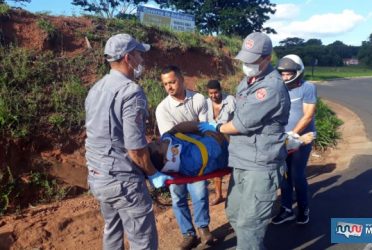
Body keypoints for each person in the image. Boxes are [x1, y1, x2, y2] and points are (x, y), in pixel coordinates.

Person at [198, 32, 291, 249]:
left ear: (267, 58)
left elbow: (239, 124)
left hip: (260, 166)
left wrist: (217, 127)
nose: (246, 64)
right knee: (234, 212)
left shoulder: (269, 88)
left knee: (250, 225)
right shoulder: (248, 81)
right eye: (245, 59)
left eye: (252, 60)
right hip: (241, 161)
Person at [85, 33, 171, 250]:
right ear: (127, 58)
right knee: (142, 240)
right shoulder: (131, 92)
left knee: (112, 233)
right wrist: (154, 174)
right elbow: (135, 149)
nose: (142, 60)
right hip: (123, 182)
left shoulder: (95, 89)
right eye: (139, 55)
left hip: (98, 176)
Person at [155, 65, 213, 249]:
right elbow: (170, 139)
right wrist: (192, 127)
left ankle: (203, 229)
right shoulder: (162, 108)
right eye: (165, 84)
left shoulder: (198, 99)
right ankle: (188, 234)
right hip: (173, 159)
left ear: (181, 79)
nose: (169, 87)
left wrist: (187, 129)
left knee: (199, 193)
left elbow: (204, 129)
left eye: (172, 82)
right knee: (178, 197)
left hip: (196, 157)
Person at [148, 121, 313, 177]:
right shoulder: (191, 164)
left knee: (257, 131)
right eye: (156, 144)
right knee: (262, 143)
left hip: (223, 137)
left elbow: (176, 128)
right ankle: (292, 142)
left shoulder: (166, 141)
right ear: (165, 158)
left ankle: (287, 137)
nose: (157, 140)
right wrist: (215, 130)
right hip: (233, 150)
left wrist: (201, 126)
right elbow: (217, 145)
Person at [271, 54, 317, 225]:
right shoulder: (278, 89)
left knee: (297, 175)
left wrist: (293, 135)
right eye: (282, 73)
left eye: (289, 73)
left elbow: (308, 115)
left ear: (298, 72)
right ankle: (286, 209)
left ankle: (303, 208)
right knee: (284, 175)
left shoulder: (308, 88)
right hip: (283, 139)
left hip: (302, 139)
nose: (285, 76)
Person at [206, 79, 236, 205]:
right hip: (213, 139)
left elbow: (238, 119)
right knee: (215, 166)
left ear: (220, 91)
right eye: (211, 93)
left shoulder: (230, 100)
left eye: (216, 93)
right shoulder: (205, 103)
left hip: (230, 139)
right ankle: (219, 195)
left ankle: (234, 194)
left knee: (234, 167)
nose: (213, 96)